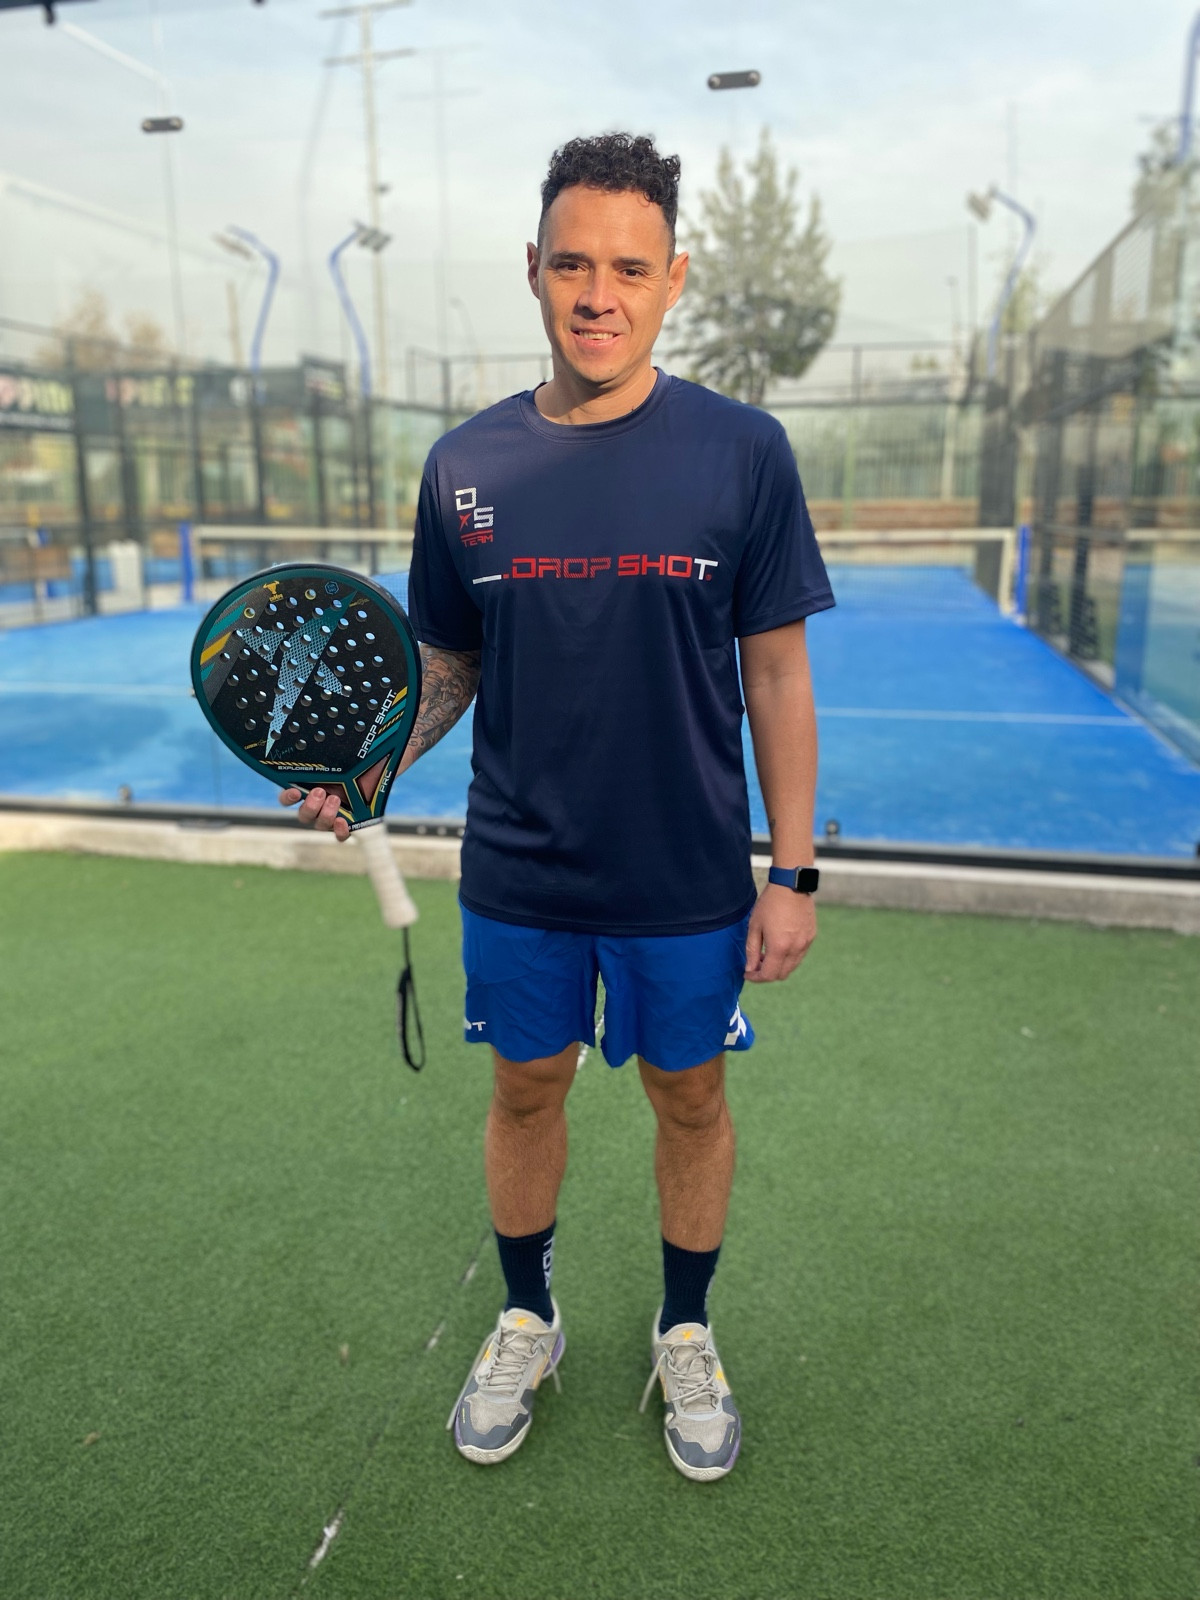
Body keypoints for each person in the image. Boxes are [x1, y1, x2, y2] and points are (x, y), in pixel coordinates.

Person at [281, 132, 833, 1483]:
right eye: (574, 264)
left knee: (690, 1098)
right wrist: (372, 768)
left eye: (630, 269)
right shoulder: (462, 466)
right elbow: (450, 662)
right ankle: (528, 1314)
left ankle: (685, 1329)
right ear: (532, 268)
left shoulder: (745, 453)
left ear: (673, 279)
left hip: (687, 875)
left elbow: (776, 672)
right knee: (526, 1090)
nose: (600, 294)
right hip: (521, 870)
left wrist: (793, 871)